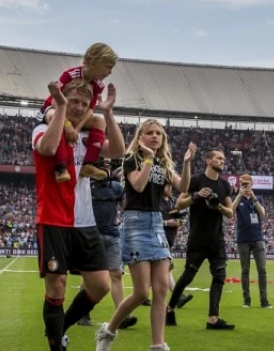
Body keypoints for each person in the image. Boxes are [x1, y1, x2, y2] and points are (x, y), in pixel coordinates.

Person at [34, 79, 125, 351]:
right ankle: (56, 346)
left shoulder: (88, 136)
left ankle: (58, 330)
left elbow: (119, 151)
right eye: (72, 101)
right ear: (61, 100)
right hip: (52, 219)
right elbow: (48, 149)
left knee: (100, 286)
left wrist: (107, 112)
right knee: (57, 286)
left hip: (85, 222)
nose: (78, 107)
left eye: (84, 104)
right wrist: (60, 108)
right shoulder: (42, 128)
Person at [95, 119, 195, 351]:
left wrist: (187, 164)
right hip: (136, 224)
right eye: (149, 133)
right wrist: (148, 158)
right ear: (140, 137)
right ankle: (108, 331)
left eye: (158, 133)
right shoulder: (132, 159)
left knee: (160, 289)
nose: (154, 136)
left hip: (156, 225)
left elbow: (183, 187)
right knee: (141, 292)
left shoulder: (164, 162)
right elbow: (138, 186)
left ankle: (158, 345)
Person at [165, 149, 236, 331]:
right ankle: (170, 309)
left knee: (219, 277)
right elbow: (179, 203)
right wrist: (196, 196)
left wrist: (217, 205)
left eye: (223, 158)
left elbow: (230, 212)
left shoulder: (225, 185)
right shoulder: (196, 181)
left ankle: (213, 319)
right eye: (219, 158)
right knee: (187, 277)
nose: (222, 161)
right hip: (197, 239)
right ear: (208, 160)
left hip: (217, 240)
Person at [37, 43, 119, 183]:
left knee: (100, 121)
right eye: (108, 67)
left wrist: (76, 128)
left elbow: (89, 110)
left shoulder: (99, 85)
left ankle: (89, 163)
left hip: (76, 116)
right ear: (93, 61)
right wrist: (67, 124)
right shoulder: (70, 74)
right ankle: (60, 167)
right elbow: (56, 102)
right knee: (53, 118)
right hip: (54, 109)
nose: (110, 72)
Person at [76, 160, 137, 330]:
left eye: (109, 165)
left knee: (117, 274)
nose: (107, 167)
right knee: (90, 277)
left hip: (113, 234)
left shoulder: (117, 187)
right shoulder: (86, 185)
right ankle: (82, 312)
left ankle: (121, 315)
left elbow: (126, 206)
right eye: (104, 164)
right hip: (92, 235)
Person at [231, 174, 272, 308]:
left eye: (247, 184)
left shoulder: (258, 198)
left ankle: (264, 300)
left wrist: (253, 197)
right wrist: (239, 195)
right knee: (245, 270)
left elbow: (262, 213)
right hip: (243, 238)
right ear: (239, 185)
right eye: (243, 184)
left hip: (258, 238)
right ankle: (246, 300)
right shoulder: (237, 199)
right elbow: (230, 211)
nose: (245, 187)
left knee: (262, 270)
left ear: (252, 184)